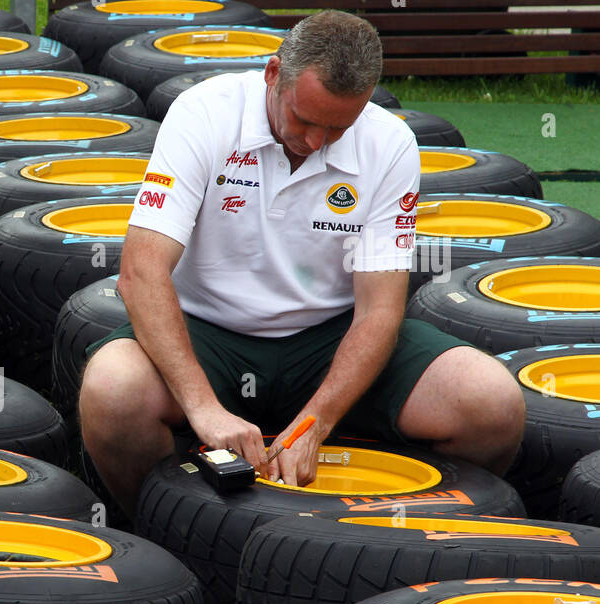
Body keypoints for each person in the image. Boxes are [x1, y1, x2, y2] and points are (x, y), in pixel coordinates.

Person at [79, 10, 525, 519]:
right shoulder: (203, 113)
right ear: (273, 75)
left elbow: (380, 311)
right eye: (305, 120)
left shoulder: (389, 143)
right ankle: (173, 537)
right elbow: (141, 273)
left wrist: (316, 422)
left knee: (491, 402)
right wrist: (204, 411)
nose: (316, 143)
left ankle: (395, 543)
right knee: (112, 391)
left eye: (338, 127)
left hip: (327, 338)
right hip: (205, 329)